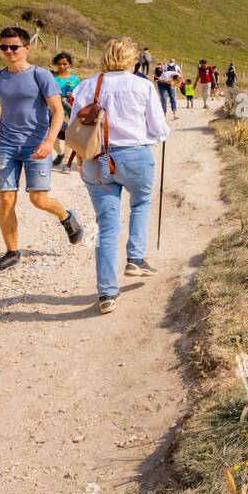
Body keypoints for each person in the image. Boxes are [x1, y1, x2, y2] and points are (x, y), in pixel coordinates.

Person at [0, 27, 84, 274]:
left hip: (36, 145)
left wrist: (48, 141)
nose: (8, 51)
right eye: (4, 47)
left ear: (26, 48)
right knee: (6, 198)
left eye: (13, 47)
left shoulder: (40, 75)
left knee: (38, 200)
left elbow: (57, 111)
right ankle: (12, 253)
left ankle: (66, 217)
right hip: (6, 145)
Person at [68, 37, 170, 314]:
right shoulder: (142, 85)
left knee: (106, 226)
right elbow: (159, 129)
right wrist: (153, 134)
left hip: (96, 159)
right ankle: (136, 258)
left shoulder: (87, 85)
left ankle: (106, 293)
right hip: (134, 156)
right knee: (140, 202)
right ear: (134, 59)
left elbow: (75, 128)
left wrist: (80, 160)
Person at [51, 52, 81, 173]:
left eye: (65, 64)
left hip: (69, 109)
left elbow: (79, 94)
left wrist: (72, 94)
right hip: (52, 109)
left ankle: (66, 163)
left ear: (70, 64)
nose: (62, 66)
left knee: (68, 136)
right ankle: (60, 153)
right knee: (52, 134)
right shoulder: (51, 77)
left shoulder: (75, 79)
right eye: (59, 64)